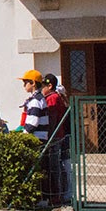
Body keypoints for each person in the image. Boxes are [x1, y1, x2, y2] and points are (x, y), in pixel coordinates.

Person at [17, 69, 51, 206]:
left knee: (37, 169)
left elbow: (33, 122)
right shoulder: (39, 98)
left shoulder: (35, 101)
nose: (23, 85)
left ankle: (41, 199)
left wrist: (23, 135)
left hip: (37, 138)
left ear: (33, 83)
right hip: (41, 137)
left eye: (25, 82)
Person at [42, 73, 71, 204]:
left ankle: (56, 195)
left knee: (53, 167)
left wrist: (49, 136)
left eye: (43, 86)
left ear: (50, 86)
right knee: (55, 166)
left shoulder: (52, 98)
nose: (42, 89)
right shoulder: (54, 97)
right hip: (57, 135)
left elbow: (52, 118)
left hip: (54, 137)